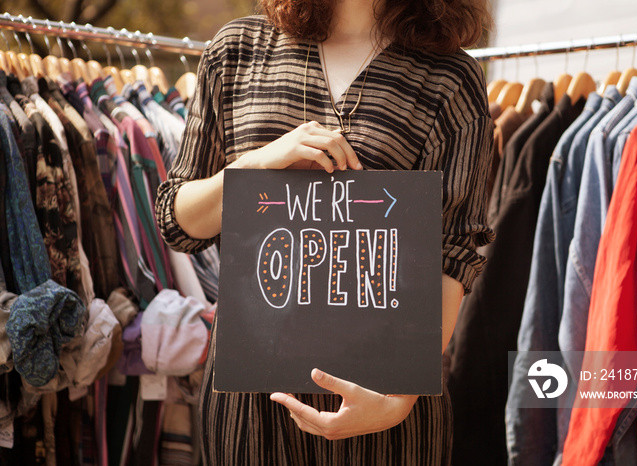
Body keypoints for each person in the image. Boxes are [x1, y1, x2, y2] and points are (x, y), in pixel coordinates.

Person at [155, 0, 494, 463]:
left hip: (383, 400)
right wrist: (258, 163)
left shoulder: (449, 76)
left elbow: (452, 254)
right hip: (252, 410)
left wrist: (397, 400)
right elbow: (177, 223)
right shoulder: (236, 52)